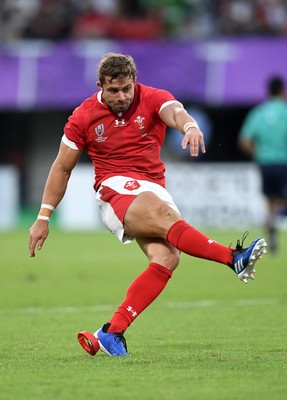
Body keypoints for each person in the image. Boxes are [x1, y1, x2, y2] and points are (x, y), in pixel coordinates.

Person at [29, 53, 267, 357]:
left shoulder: (153, 97)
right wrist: (43, 217)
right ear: (100, 85)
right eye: (113, 90)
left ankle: (111, 332)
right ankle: (233, 257)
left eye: (126, 88)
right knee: (164, 215)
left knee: (167, 258)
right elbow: (62, 168)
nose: (122, 96)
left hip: (153, 186)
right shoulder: (83, 116)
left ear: (134, 82)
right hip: (114, 189)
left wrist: (190, 126)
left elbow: (176, 112)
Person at [238, 75, 287, 253]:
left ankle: (271, 236)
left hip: (265, 163)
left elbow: (244, 139)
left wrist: (258, 154)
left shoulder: (259, 112)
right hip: (284, 162)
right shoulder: (285, 111)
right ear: (283, 91)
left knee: (271, 202)